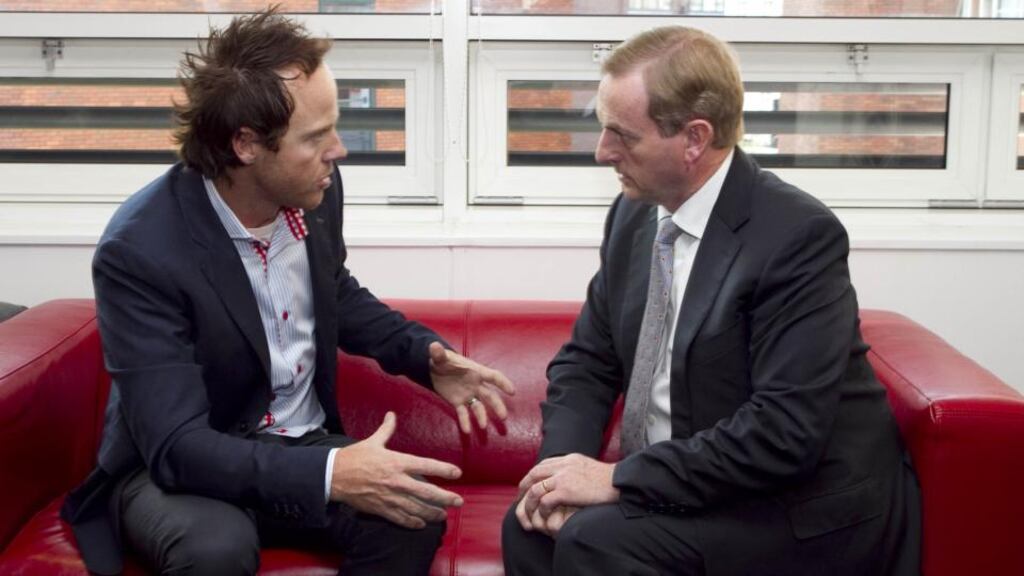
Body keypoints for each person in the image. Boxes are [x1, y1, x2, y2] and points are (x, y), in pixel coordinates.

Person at [60, 9, 515, 576]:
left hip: (299, 443)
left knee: (412, 513)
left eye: (335, 128)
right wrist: (331, 474)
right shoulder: (142, 251)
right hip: (186, 465)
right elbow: (176, 446)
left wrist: (424, 357)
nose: (338, 152)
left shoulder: (312, 190)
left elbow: (333, 292)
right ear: (246, 143)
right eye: (317, 136)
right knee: (215, 549)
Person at [502, 26, 920, 576]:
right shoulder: (634, 215)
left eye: (622, 135)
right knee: (529, 524)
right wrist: (557, 471)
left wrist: (618, 478)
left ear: (694, 139)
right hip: (694, 486)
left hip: (797, 510)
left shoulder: (796, 237)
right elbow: (588, 361)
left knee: (594, 542)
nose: (603, 152)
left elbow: (783, 433)